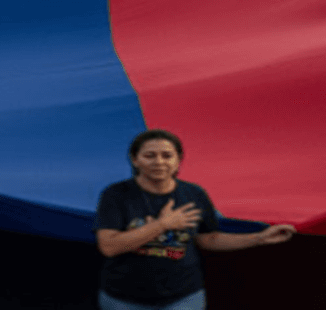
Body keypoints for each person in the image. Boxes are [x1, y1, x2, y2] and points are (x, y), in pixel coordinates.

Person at [94, 129, 295, 310]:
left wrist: (259, 238)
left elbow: (209, 238)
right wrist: (163, 224)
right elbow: (109, 246)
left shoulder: (193, 194)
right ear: (134, 160)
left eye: (167, 155)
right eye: (149, 155)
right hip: (125, 298)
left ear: (178, 159)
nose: (159, 162)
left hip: (184, 296)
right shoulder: (116, 195)